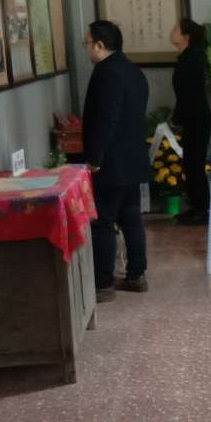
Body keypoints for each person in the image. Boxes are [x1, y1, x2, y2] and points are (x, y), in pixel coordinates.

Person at [82, 20, 151, 302]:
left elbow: (106, 119)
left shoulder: (106, 72)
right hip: (133, 157)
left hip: (111, 161)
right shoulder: (132, 70)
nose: (86, 49)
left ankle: (103, 283)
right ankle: (136, 275)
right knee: (131, 218)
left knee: (103, 222)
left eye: (87, 43)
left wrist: (94, 158)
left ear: (99, 44)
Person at [171, 18, 211, 226]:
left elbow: (191, 95)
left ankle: (202, 210)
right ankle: (197, 206)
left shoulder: (194, 58)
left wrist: (178, 116)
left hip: (197, 118)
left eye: (175, 29)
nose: (172, 32)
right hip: (191, 118)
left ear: (185, 36)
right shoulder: (186, 57)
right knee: (190, 163)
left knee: (195, 164)